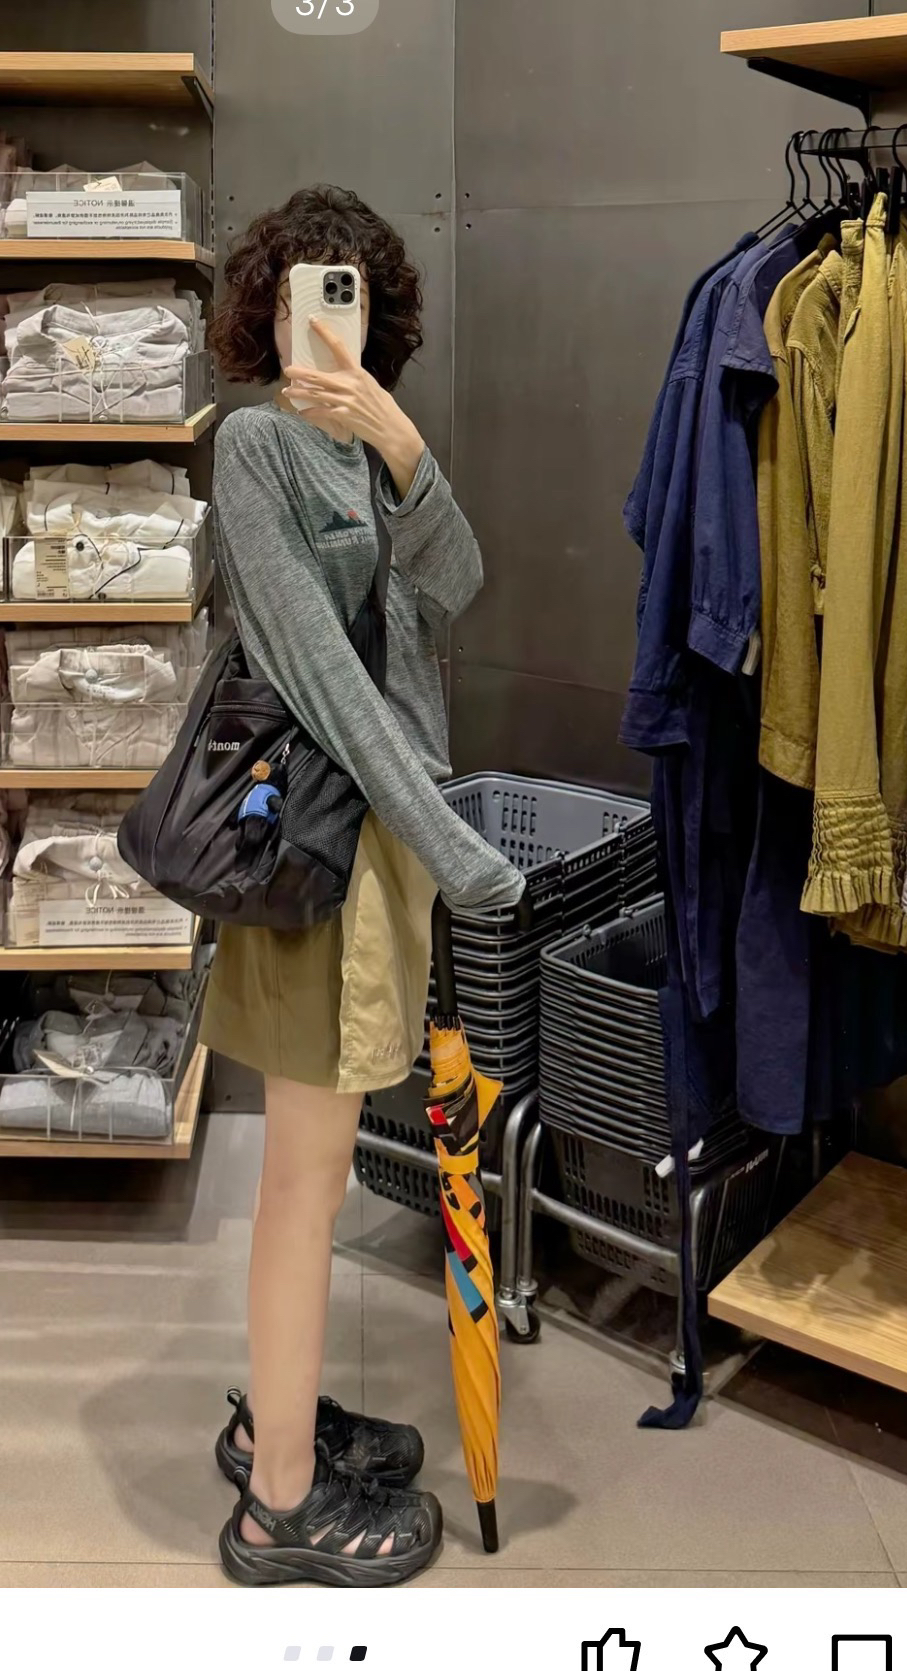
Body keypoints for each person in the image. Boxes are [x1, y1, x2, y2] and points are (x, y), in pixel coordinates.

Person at [202, 185, 527, 1587]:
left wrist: (403, 447)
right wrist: (454, 847)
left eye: (349, 294)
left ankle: (277, 1427)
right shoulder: (255, 448)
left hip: (371, 848)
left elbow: (454, 582)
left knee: (315, 1172)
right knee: (302, 1182)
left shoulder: (365, 449)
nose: (327, 319)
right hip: (319, 856)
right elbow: (326, 684)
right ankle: (279, 1502)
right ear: (265, 311)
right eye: (303, 292)